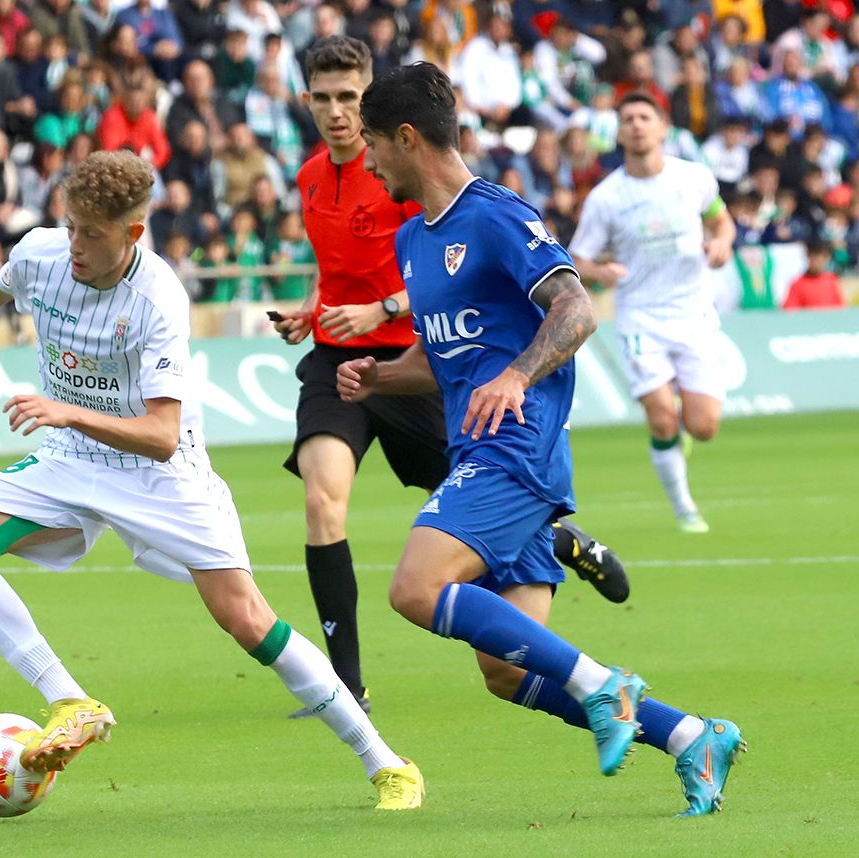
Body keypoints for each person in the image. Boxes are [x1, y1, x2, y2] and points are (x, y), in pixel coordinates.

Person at [0, 150, 424, 811]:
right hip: (73, 456)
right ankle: (71, 702)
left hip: (163, 475)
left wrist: (65, 409)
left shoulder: (158, 297)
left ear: (132, 234)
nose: (75, 245)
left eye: (92, 234)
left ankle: (386, 763)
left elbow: (161, 435)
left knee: (246, 620)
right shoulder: (47, 253)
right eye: (71, 226)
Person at [338, 61, 744, 818]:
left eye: (372, 143)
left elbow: (577, 310)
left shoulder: (496, 215)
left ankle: (606, 688)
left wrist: (520, 377)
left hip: (516, 450)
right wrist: (379, 378)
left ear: (404, 137)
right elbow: (444, 357)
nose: (366, 161)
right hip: (476, 449)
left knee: (414, 589)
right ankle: (692, 736)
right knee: (503, 668)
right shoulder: (412, 240)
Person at [272, 37, 628, 718]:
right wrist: (320, 318)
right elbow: (357, 275)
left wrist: (507, 372)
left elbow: (504, 292)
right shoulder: (315, 178)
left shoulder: (445, 200)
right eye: (322, 98)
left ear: (393, 129)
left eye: (350, 99)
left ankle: (577, 608)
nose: (337, 115)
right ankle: (345, 686)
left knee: (429, 577)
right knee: (324, 504)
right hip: (360, 363)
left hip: (462, 391)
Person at [569, 92, 738, 534]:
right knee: (662, 415)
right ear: (619, 132)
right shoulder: (607, 198)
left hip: (695, 314)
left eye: (645, 117)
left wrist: (721, 243)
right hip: (641, 316)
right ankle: (685, 509)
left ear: (663, 127)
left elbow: (721, 220)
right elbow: (576, 260)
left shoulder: (693, 178)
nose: (637, 125)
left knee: (703, 427)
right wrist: (599, 270)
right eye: (628, 119)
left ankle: (683, 436)